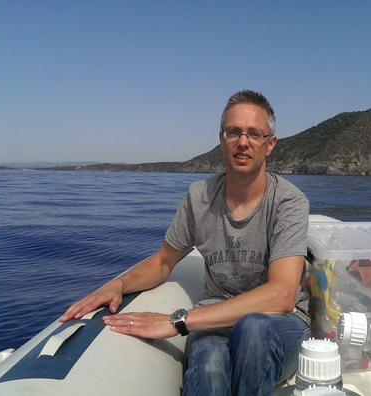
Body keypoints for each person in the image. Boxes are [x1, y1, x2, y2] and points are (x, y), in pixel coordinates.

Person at [59, 90, 311, 396]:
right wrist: (118, 285)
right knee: (209, 367)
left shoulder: (288, 202)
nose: (243, 142)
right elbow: (164, 261)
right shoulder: (198, 197)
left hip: (278, 325)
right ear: (221, 139)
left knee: (253, 329)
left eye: (254, 134)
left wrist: (176, 322)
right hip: (214, 319)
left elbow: (282, 295)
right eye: (233, 132)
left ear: (269, 144)